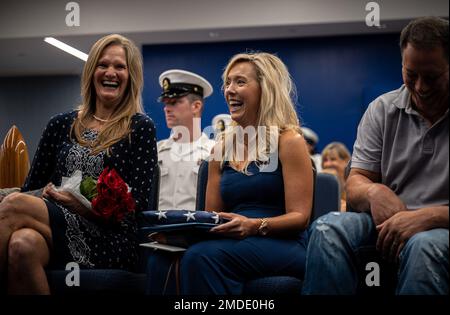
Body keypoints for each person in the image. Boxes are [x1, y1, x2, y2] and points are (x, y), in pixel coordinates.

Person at [0, 34, 158, 294]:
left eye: (120, 66)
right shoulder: (60, 123)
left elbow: (137, 208)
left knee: (15, 205)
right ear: (91, 71)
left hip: (109, 239)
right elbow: (31, 188)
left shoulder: (139, 127)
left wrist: (81, 206)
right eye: (102, 64)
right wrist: (48, 194)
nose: (111, 72)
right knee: (22, 244)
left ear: (131, 77)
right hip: (54, 226)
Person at [302, 17, 449, 295]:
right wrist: (373, 192)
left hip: (442, 228)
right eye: (411, 74)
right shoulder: (381, 109)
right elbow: (356, 181)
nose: (420, 87)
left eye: (431, 77)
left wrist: (431, 217)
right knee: (327, 228)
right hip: (387, 224)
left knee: (424, 245)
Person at [147, 52, 314, 294]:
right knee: (159, 260)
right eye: (227, 82)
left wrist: (254, 225)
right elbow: (211, 218)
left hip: (283, 242)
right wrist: (176, 237)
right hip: (235, 240)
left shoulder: (289, 141)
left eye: (240, 82)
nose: (229, 90)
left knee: (202, 257)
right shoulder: (220, 148)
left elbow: (300, 217)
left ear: (265, 89)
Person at [157, 69, 215, 211]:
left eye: (174, 102)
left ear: (196, 106)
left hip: (196, 231)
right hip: (157, 231)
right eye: (166, 103)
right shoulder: (156, 151)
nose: (167, 109)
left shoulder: (214, 151)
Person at [321, 142, 351, 211]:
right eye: (325, 160)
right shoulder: (319, 186)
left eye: (333, 159)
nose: (327, 164)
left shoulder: (355, 184)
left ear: (346, 161)